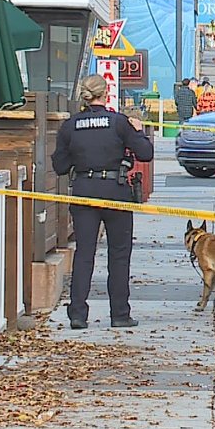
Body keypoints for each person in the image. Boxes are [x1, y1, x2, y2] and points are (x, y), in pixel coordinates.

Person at [51, 74, 154, 330]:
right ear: (105, 94)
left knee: (84, 254)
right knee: (119, 255)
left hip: (85, 190)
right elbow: (146, 154)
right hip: (115, 190)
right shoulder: (119, 123)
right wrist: (138, 133)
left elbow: (60, 165)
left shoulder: (71, 125)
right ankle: (119, 314)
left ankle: (78, 314)